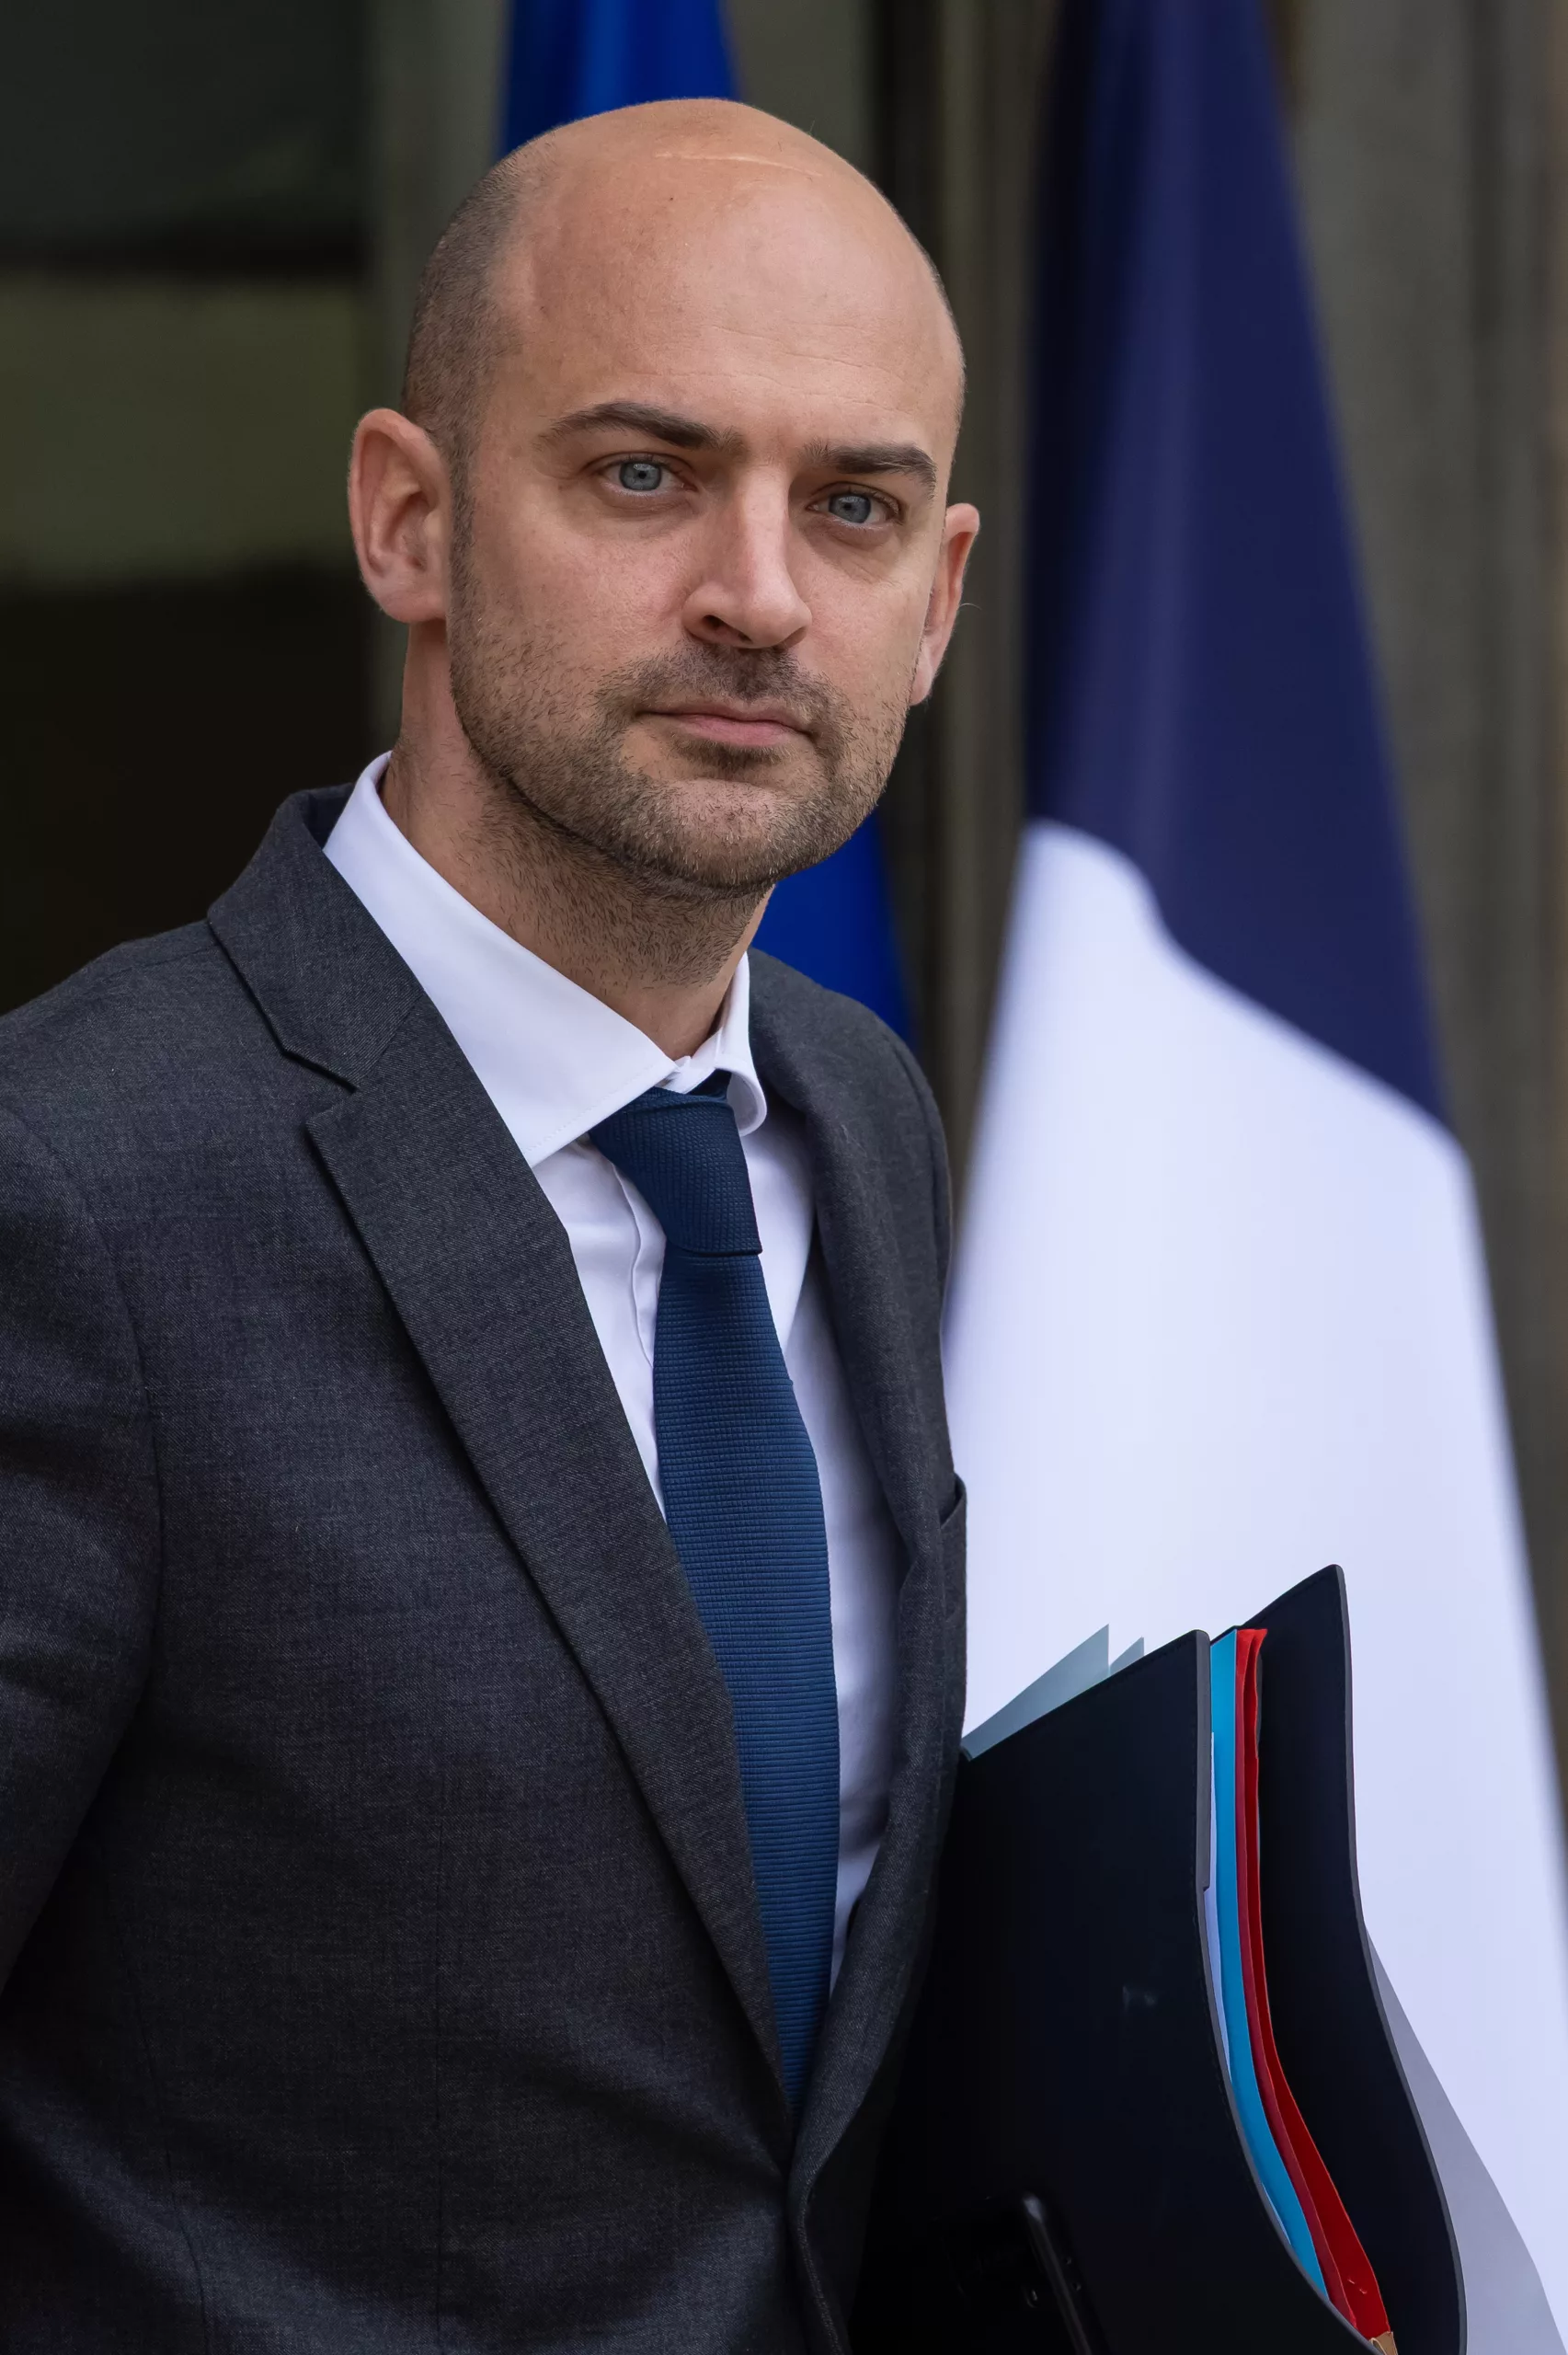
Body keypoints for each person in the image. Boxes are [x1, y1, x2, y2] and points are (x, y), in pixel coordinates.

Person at [0, 98, 978, 2352]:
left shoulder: (859, 1119)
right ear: (409, 520)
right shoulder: (74, 1191)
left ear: (937, 603)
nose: (759, 592)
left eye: (852, 505)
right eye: (646, 473)